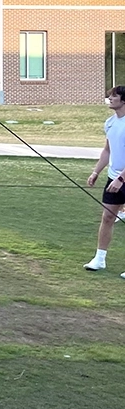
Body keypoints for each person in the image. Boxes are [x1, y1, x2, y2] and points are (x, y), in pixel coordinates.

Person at [84, 85, 125, 274]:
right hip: (113, 178)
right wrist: (96, 172)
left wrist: (121, 179)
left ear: (123, 100)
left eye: (114, 96)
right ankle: (99, 259)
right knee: (108, 217)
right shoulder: (109, 122)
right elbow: (107, 150)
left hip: (121, 179)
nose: (110, 98)